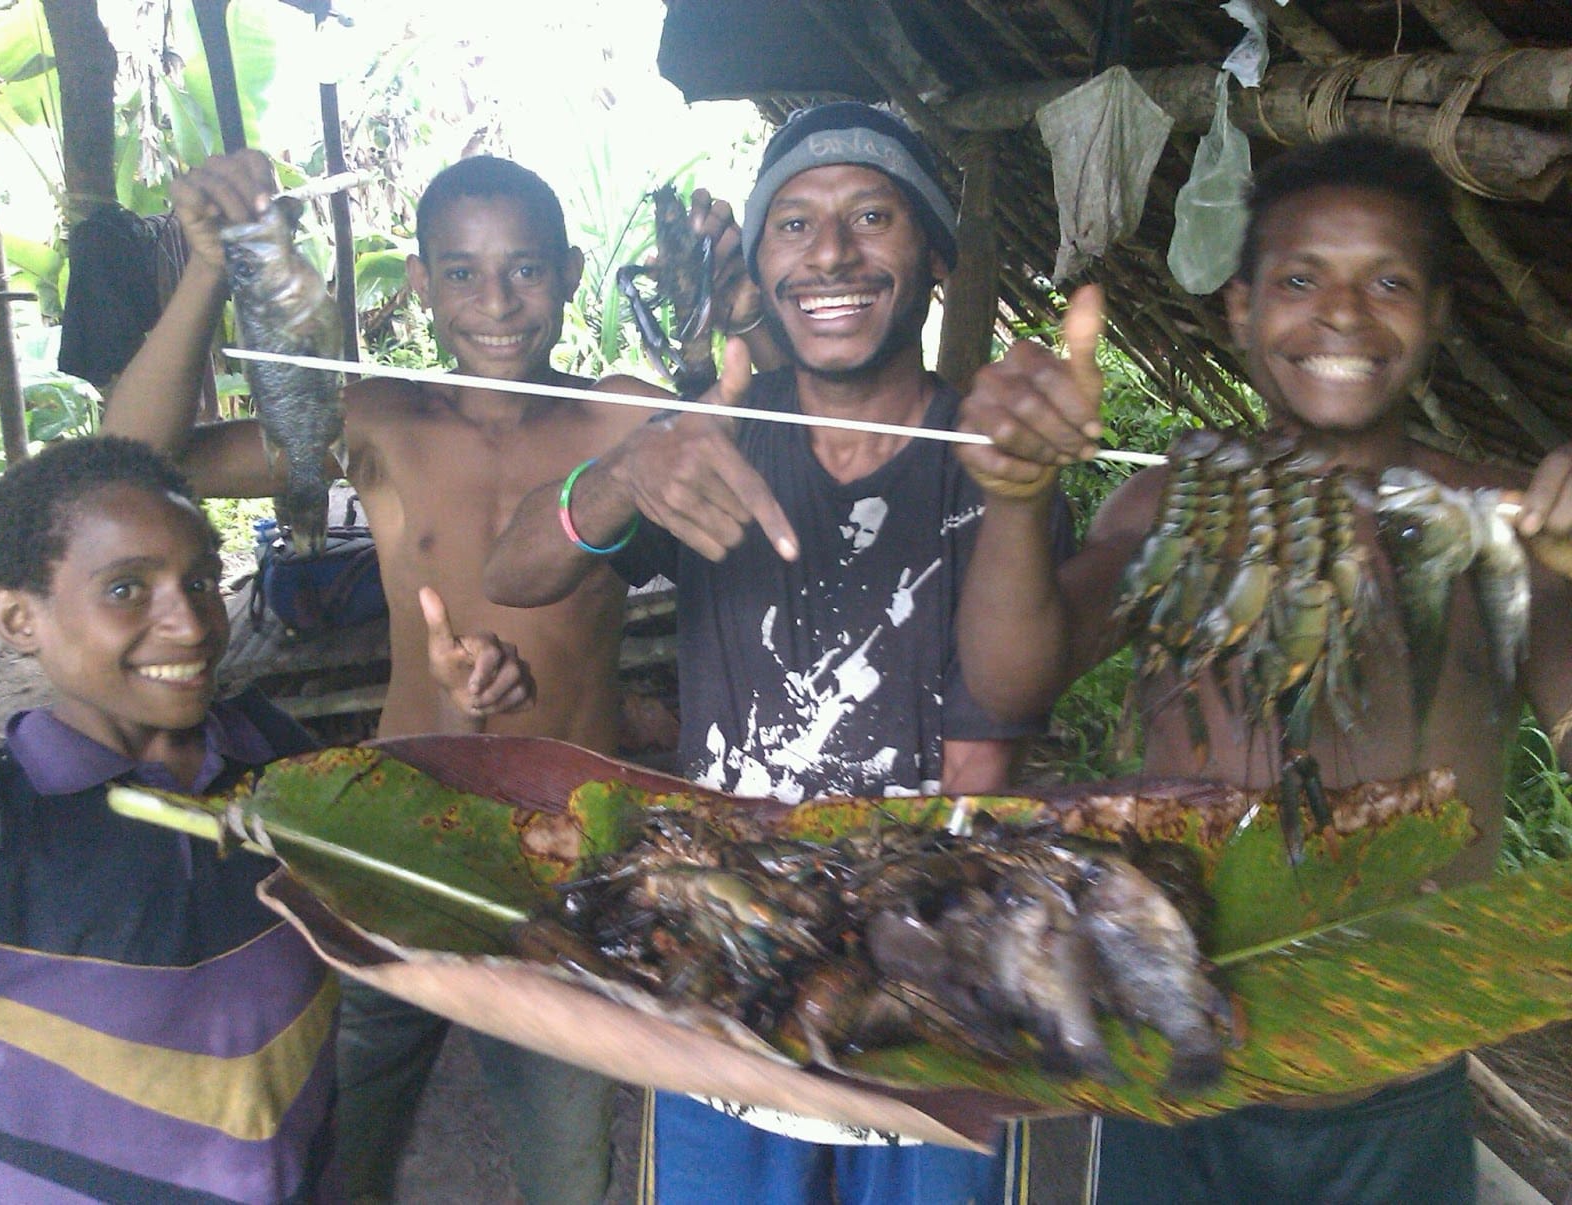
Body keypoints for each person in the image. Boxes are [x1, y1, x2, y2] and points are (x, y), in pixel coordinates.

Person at [953, 133, 1572, 1203]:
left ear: (1436, 317)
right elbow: (1015, 681)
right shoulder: (1166, 505)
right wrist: (1012, 499)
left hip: (1391, 1077)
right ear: (1239, 309)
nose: (1340, 313)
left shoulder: (1506, 531)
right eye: (1299, 279)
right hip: (1173, 1057)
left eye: (1387, 281)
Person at [484, 101, 1075, 1205]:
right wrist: (621, 472)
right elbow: (512, 572)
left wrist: (1019, 500)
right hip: (727, 985)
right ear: (757, 266)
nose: (831, 252)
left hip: (934, 993)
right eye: (793, 225)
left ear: (932, 254)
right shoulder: (705, 446)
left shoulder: (994, 463)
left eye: (871, 216)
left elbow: (1010, 707)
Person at [101, 151, 664, 1202]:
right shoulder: (378, 416)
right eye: (460, 273)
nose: (496, 302)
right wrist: (207, 271)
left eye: (526, 270)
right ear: (417, 279)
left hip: (569, 854)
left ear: (575, 270)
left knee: (568, 1167)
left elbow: (774, 496)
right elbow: (128, 460)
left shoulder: (623, 419)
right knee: (336, 1151)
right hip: (393, 838)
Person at [0, 435, 340, 1202]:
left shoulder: (267, 745)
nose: (194, 623)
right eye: (125, 589)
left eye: (201, 579)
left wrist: (459, 708)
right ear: (16, 616)